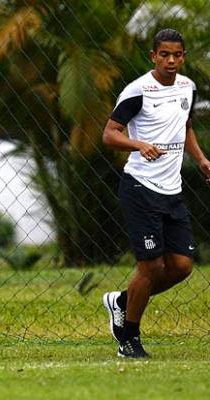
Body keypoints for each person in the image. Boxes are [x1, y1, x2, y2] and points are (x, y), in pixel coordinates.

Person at [102, 29, 210, 358]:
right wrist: (139, 145)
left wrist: (201, 159)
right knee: (150, 268)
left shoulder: (187, 87)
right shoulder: (137, 91)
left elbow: (185, 126)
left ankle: (122, 301)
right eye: (164, 54)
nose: (171, 60)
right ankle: (129, 339)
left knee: (181, 266)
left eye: (177, 55)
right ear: (153, 56)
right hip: (140, 187)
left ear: (183, 57)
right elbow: (109, 134)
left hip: (172, 190)